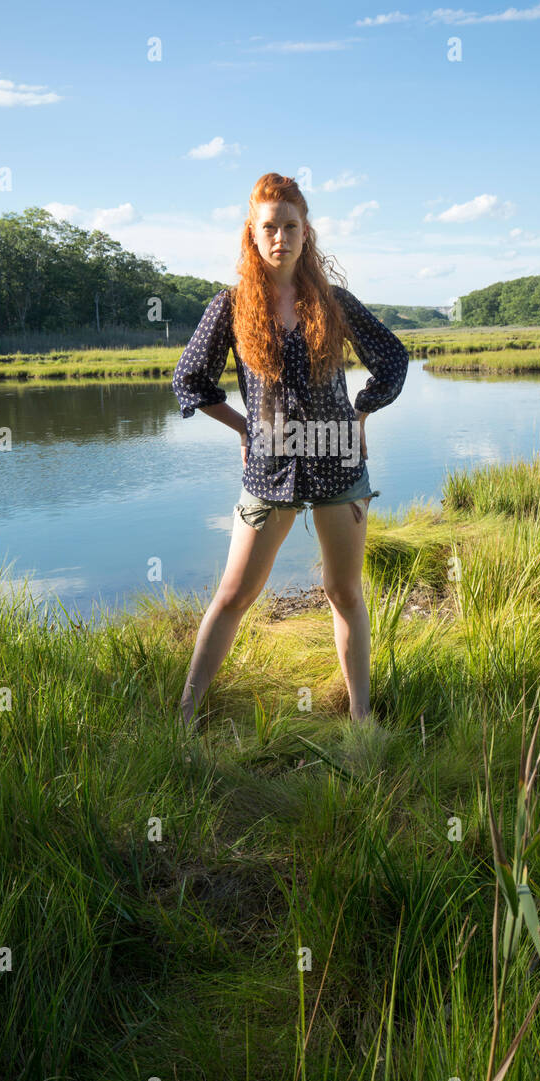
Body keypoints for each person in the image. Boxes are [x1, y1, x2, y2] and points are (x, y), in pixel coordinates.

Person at [171, 172, 408, 731]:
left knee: (343, 591)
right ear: (252, 235)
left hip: (338, 465)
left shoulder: (335, 302)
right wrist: (243, 428)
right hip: (268, 470)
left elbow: (393, 360)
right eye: (269, 227)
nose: (280, 236)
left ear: (307, 233)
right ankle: (184, 715)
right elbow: (189, 380)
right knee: (233, 595)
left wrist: (361, 413)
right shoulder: (230, 307)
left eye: (290, 226)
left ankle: (360, 718)